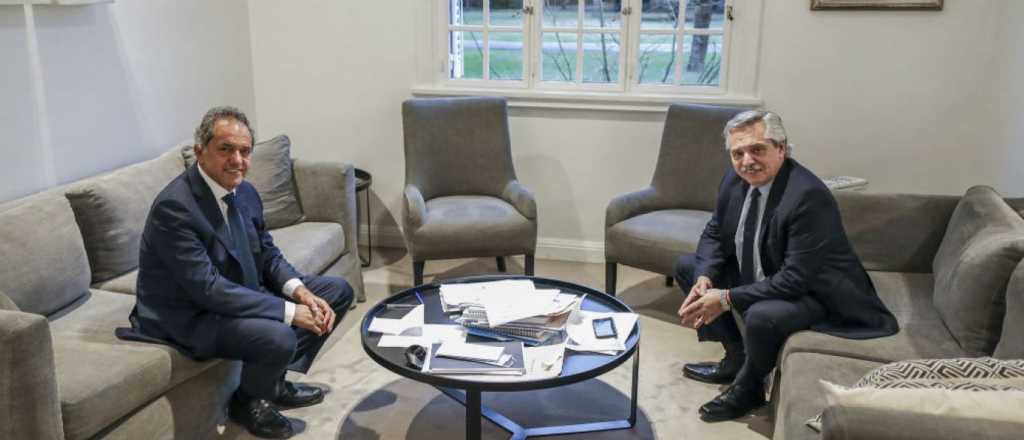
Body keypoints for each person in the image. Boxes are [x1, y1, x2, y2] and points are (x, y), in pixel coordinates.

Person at [120, 106, 353, 439]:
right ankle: (248, 402)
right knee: (280, 335)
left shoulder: (244, 192)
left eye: (245, 151)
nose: (237, 160)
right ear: (200, 151)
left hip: (237, 291)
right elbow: (209, 290)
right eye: (226, 149)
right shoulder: (175, 208)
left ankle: (272, 383)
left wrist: (300, 292)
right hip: (192, 314)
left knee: (336, 292)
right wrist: (289, 312)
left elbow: (267, 254)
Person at [674, 110, 898, 422]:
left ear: (781, 148)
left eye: (757, 149)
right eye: (738, 153)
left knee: (762, 316)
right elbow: (715, 231)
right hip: (767, 271)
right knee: (689, 267)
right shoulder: (733, 180)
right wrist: (704, 278)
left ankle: (750, 388)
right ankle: (736, 358)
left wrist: (726, 298)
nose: (747, 161)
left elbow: (794, 279)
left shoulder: (807, 196)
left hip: (816, 293)